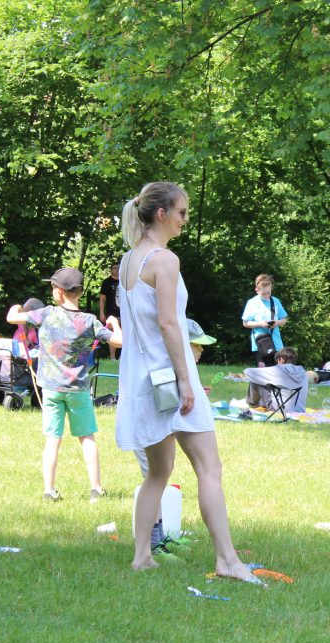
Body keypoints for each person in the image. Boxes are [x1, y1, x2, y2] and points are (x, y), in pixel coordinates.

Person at [117, 181, 260, 583]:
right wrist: (186, 380)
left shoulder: (129, 260)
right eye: (182, 212)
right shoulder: (164, 259)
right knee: (209, 468)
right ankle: (227, 560)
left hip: (143, 382)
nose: (185, 219)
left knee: (158, 472)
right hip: (170, 380)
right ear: (161, 213)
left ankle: (142, 556)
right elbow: (167, 323)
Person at [7, 268, 121, 502]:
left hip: (51, 389)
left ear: (59, 292)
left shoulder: (46, 314)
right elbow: (119, 342)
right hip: (78, 390)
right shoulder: (89, 321)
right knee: (87, 438)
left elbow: (12, 318)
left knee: (52, 440)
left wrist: (17, 307)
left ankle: (49, 490)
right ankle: (96, 489)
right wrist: (114, 324)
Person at [133, 317, 217, 555]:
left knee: (161, 476)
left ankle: (158, 539)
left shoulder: (183, 372)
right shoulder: (161, 371)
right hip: (150, 430)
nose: (201, 351)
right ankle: (153, 543)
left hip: (162, 430)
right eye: (196, 345)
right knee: (154, 478)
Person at [243, 346, 309, 414]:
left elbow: (248, 372)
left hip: (280, 411)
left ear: (281, 359)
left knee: (256, 381)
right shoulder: (303, 372)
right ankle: (260, 404)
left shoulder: (279, 370)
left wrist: (262, 371)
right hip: (300, 410)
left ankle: (252, 404)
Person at [241, 274, 288, 368]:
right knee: (262, 370)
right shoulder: (252, 303)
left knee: (279, 370)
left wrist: (277, 323)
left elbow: (284, 320)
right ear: (257, 290)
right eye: (263, 293)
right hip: (260, 343)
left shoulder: (276, 301)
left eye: (268, 293)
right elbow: (245, 323)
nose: (266, 296)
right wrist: (261, 324)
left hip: (276, 343)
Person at [99, 263, 122, 360]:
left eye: (118, 268)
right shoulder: (106, 282)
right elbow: (102, 299)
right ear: (111, 270)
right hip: (111, 313)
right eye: (115, 268)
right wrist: (101, 312)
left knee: (126, 334)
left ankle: (123, 356)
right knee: (112, 334)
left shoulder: (125, 281)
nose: (117, 269)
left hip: (125, 313)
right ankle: (112, 357)